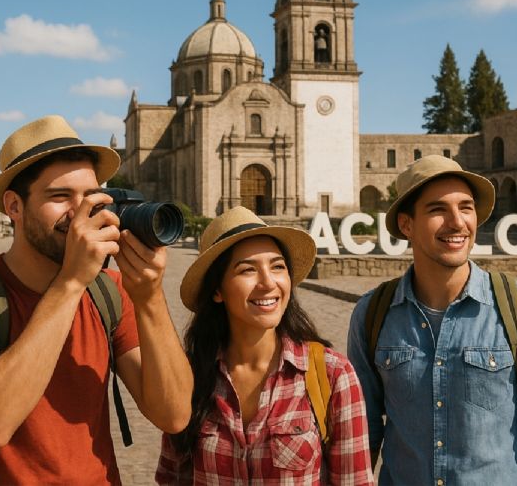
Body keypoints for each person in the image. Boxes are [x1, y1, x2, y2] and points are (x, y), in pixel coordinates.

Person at [0, 115, 193, 484]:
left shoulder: (109, 292)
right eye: (60, 196)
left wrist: (149, 297)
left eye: (91, 197)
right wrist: (71, 282)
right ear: (14, 207)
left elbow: (173, 414)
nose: (82, 213)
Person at [347, 155, 517, 484]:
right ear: (406, 225)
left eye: (466, 207)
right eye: (437, 209)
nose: (457, 222)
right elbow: (361, 432)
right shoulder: (373, 314)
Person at [157, 206, 374, 485]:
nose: (268, 282)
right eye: (248, 269)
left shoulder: (332, 374)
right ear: (217, 290)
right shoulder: (190, 375)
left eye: (277, 266)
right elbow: (172, 478)